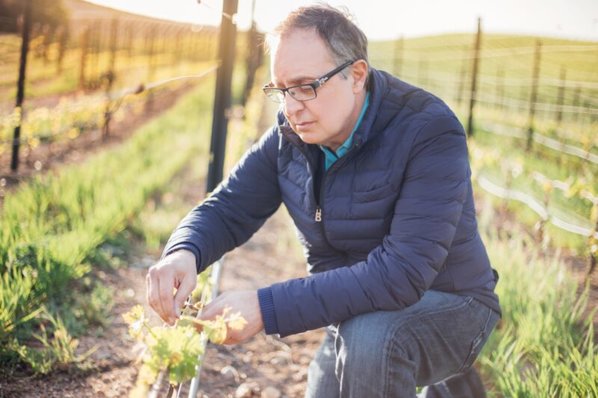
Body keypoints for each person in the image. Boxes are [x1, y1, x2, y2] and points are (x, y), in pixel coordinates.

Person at [146, 4, 501, 397]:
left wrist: (265, 307)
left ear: (356, 75)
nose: (292, 107)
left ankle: (448, 379)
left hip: (452, 304)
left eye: (305, 86)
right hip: (350, 311)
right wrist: (184, 252)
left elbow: (402, 275)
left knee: (372, 341)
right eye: (281, 90)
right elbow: (228, 207)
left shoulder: (429, 130)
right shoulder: (289, 137)